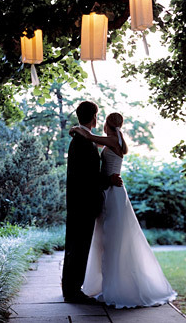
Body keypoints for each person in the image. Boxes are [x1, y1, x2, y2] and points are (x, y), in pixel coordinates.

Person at [70, 112, 177, 308]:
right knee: (109, 236)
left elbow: (90, 137)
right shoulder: (115, 140)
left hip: (112, 191)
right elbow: (93, 143)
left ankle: (118, 286)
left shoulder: (111, 139)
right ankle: (108, 282)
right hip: (111, 191)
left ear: (106, 124)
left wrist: (76, 129)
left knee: (113, 237)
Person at [61, 101, 123, 303]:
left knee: (75, 245)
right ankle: (72, 291)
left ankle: (69, 288)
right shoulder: (83, 142)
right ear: (94, 117)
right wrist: (109, 180)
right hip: (84, 203)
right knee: (79, 247)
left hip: (79, 201)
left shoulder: (81, 139)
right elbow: (88, 176)